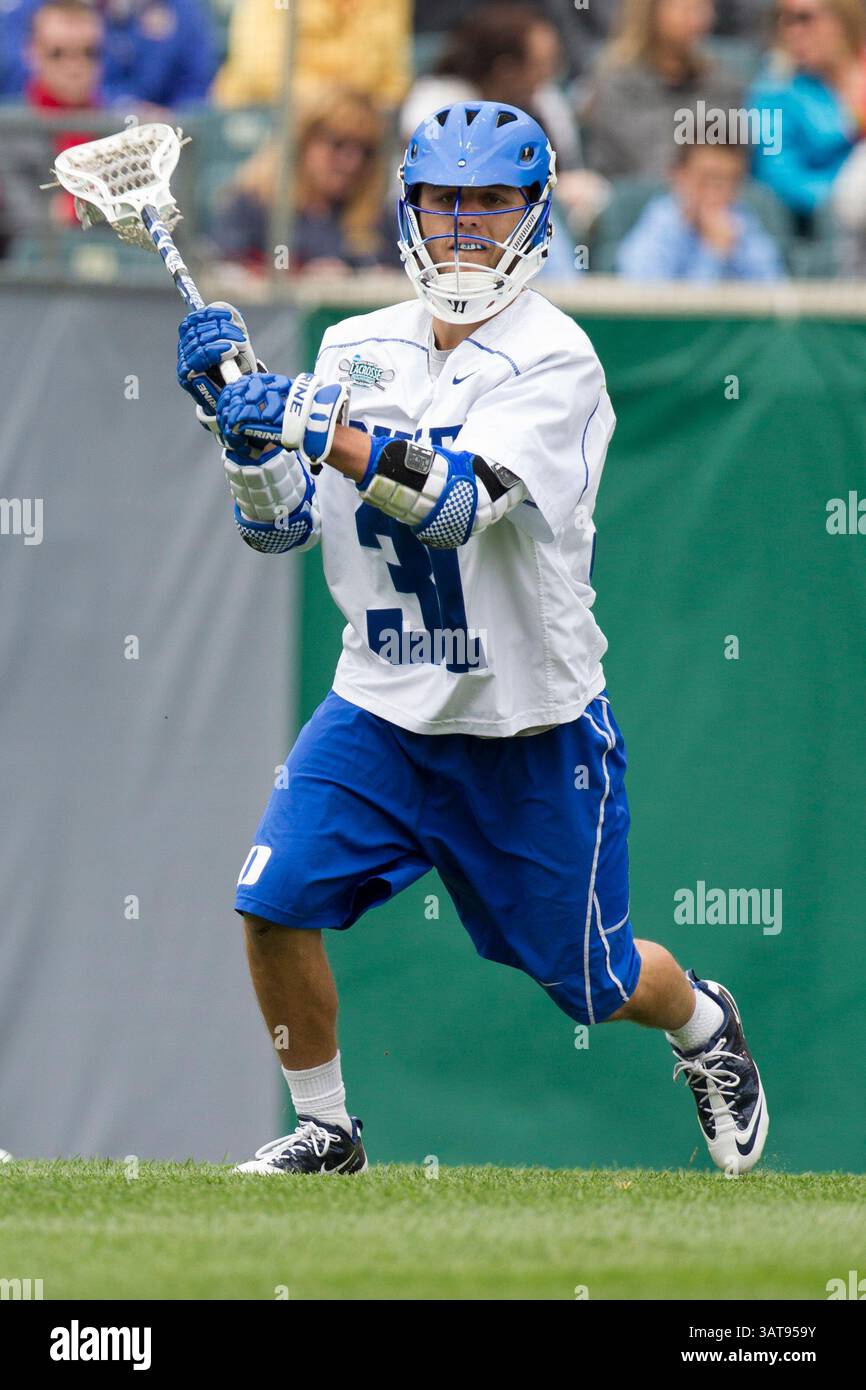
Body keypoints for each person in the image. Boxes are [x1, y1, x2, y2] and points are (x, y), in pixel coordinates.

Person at [175, 101, 769, 1176]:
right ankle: (328, 1131)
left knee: (591, 981)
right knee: (271, 902)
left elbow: (453, 505)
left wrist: (311, 421)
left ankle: (702, 1025)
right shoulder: (354, 344)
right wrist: (239, 431)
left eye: (488, 202)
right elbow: (281, 529)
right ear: (407, 208)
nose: (462, 227)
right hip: (381, 704)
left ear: (532, 214)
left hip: (524, 721)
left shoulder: (557, 361)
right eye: (443, 201)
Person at [209, 91, 401, 275]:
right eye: (338, 144)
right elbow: (226, 274)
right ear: (302, 141)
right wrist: (299, 274)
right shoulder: (252, 206)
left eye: (366, 151)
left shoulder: (378, 218)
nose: (352, 163)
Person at [584, 0, 744, 180]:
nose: (698, 19)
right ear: (650, 13)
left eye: (703, 8)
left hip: (711, 198)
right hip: (637, 198)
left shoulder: (720, 81)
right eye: (686, 9)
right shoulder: (616, 82)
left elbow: (731, 160)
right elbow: (652, 164)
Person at [749, 0, 866, 223]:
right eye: (782, 20)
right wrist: (841, 198)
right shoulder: (774, 92)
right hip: (833, 222)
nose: (791, 31)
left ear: (843, 16)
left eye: (804, 18)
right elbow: (779, 176)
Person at [617, 140, 786, 279]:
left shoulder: (743, 223)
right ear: (678, 176)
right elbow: (649, 304)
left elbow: (772, 292)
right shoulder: (660, 225)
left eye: (728, 181)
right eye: (706, 179)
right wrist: (715, 254)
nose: (714, 192)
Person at [0, 0, 216, 107]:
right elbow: (17, 76)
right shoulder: (32, 11)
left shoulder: (179, 10)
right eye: (59, 54)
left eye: (90, 53)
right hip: (40, 129)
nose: (74, 67)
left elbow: (195, 86)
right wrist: (118, 104)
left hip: (127, 130)